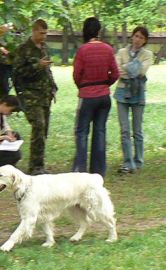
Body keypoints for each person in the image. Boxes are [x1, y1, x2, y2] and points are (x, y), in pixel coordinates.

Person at [72, 17, 119, 177]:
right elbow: (116, 73)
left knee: (82, 132)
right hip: (104, 96)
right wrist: (105, 84)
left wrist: (83, 86)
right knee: (100, 131)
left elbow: (77, 75)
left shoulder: (83, 50)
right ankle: (98, 171)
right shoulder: (108, 49)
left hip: (87, 96)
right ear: (99, 31)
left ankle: (80, 170)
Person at [13, 19, 57, 175]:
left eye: (46, 33)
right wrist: (37, 65)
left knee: (43, 130)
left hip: (45, 96)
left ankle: (39, 164)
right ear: (34, 31)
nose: (44, 36)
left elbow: (47, 70)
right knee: (38, 125)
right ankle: (35, 167)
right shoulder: (23, 49)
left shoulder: (44, 48)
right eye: (41, 33)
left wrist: (53, 86)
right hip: (31, 95)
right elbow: (17, 73)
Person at [114, 26, 153, 174]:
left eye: (141, 37)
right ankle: (127, 162)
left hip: (138, 93)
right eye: (136, 36)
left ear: (145, 41)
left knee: (137, 130)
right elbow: (117, 71)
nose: (137, 39)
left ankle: (138, 161)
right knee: (124, 130)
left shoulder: (148, 54)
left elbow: (141, 71)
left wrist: (127, 68)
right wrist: (132, 69)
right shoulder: (121, 52)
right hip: (122, 93)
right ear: (132, 36)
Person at [0, 23, 23, 98]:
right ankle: (2, 106)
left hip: (16, 63)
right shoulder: (4, 28)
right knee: (4, 88)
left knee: (20, 88)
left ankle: (23, 106)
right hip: (3, 63)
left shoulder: (23, 28)